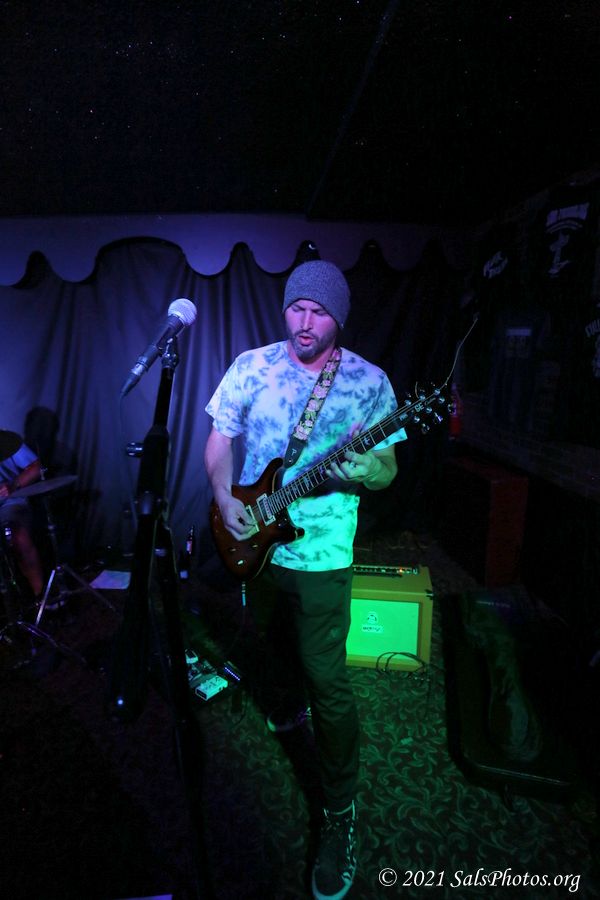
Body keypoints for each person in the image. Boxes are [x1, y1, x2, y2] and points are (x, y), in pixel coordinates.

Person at [204, 260, 405, 900]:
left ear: (338, 317)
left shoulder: (370, 382)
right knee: (270, 645)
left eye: (319, 312)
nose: (305, 322)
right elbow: (219, 443)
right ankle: (287, 711)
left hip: (324, 557)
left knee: (329, 682)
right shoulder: (251, 366)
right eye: (297, 308)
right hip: (258, 542)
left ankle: (340, 810)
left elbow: (388, 470)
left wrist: (367, 467)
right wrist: (223, 495)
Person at [0, 432, 45, 600]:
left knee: (18, 536)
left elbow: (36, 466)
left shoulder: (4, 439)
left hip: (9, 501)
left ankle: (41, 597)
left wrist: (14, 484)